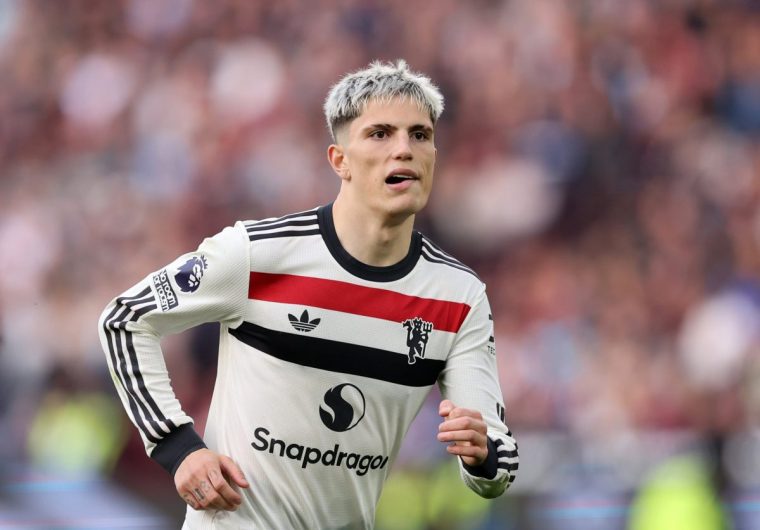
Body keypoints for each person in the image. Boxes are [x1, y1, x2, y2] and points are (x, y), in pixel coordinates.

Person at [98, 59, 518, 529]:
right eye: (380, 134)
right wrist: (178, 448)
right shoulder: (256, 254)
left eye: (419, 135)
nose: (404, 149)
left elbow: (498, 463)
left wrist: (481, 455)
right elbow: (124, 318)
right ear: (340, 161)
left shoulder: (458, 298)